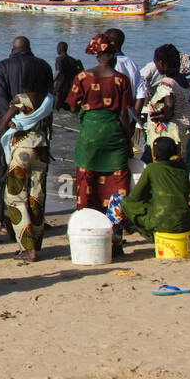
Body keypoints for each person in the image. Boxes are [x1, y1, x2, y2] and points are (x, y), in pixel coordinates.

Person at [66, 34, 135, 255]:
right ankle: (115, 240)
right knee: (117, 188)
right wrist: (128, 139)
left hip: (90, 136)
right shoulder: (121, 80)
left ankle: (89, 234)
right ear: (113, 55)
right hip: (114, 135)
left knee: (87, 185)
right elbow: (125, 115)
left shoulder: (82, 77)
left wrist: (89, 110)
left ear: (97, 55)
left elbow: (72, 106)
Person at [0, 37, 54, 226]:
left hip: (11, 127)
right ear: (29, 49)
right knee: (37, 179)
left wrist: (8, 121)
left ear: (13, 49)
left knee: (5, 172)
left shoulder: (2, 66)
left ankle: (4, 216)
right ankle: (36, 219)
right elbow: (49, 98)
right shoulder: (44, 66)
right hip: (38, 130)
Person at [0, 58, 55, 259]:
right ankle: (37, 244)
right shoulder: (48, 100)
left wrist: (3, 129)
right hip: (42, 150)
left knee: (15, 198)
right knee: (36, 196)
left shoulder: (21, 99)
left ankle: (27, 247)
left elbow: (4, 122)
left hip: (22, 151)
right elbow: (48, 125)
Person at [120, 137, 190, 244]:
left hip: (160, 223)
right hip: (185, 224)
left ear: (154, 154)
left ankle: (121, 240)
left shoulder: (152, 168)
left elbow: (135, 197)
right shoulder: (182, 168)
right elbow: (187, 190)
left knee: (122, 201)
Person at [142, 44, 190, 164]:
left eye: (155, 63)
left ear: (162, 64)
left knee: (154, 165)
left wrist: (159, 116)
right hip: (181, 132)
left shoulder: (167, 82)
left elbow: (169, 104)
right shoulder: (182, 80)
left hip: (167, 135)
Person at [53, 41, 83, 111]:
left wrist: (51, 82)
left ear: (59, 49)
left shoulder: (59, 59)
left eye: (57, 48)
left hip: (60, 86)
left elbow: (58, 71)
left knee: (57, 106)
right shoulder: (73, 60)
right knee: (67, 105)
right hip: (70, 86)